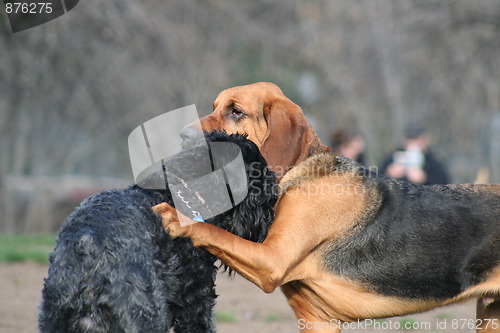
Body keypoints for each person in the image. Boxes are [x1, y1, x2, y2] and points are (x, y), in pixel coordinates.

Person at [381, 125, 449, 185]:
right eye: (410, 139)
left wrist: (424, 179)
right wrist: (388, 174)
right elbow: (377, 180)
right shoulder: (393, 158)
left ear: (424, 140)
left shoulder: (433, 162)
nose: (413, 143)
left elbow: (444, 186)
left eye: (416, 139)